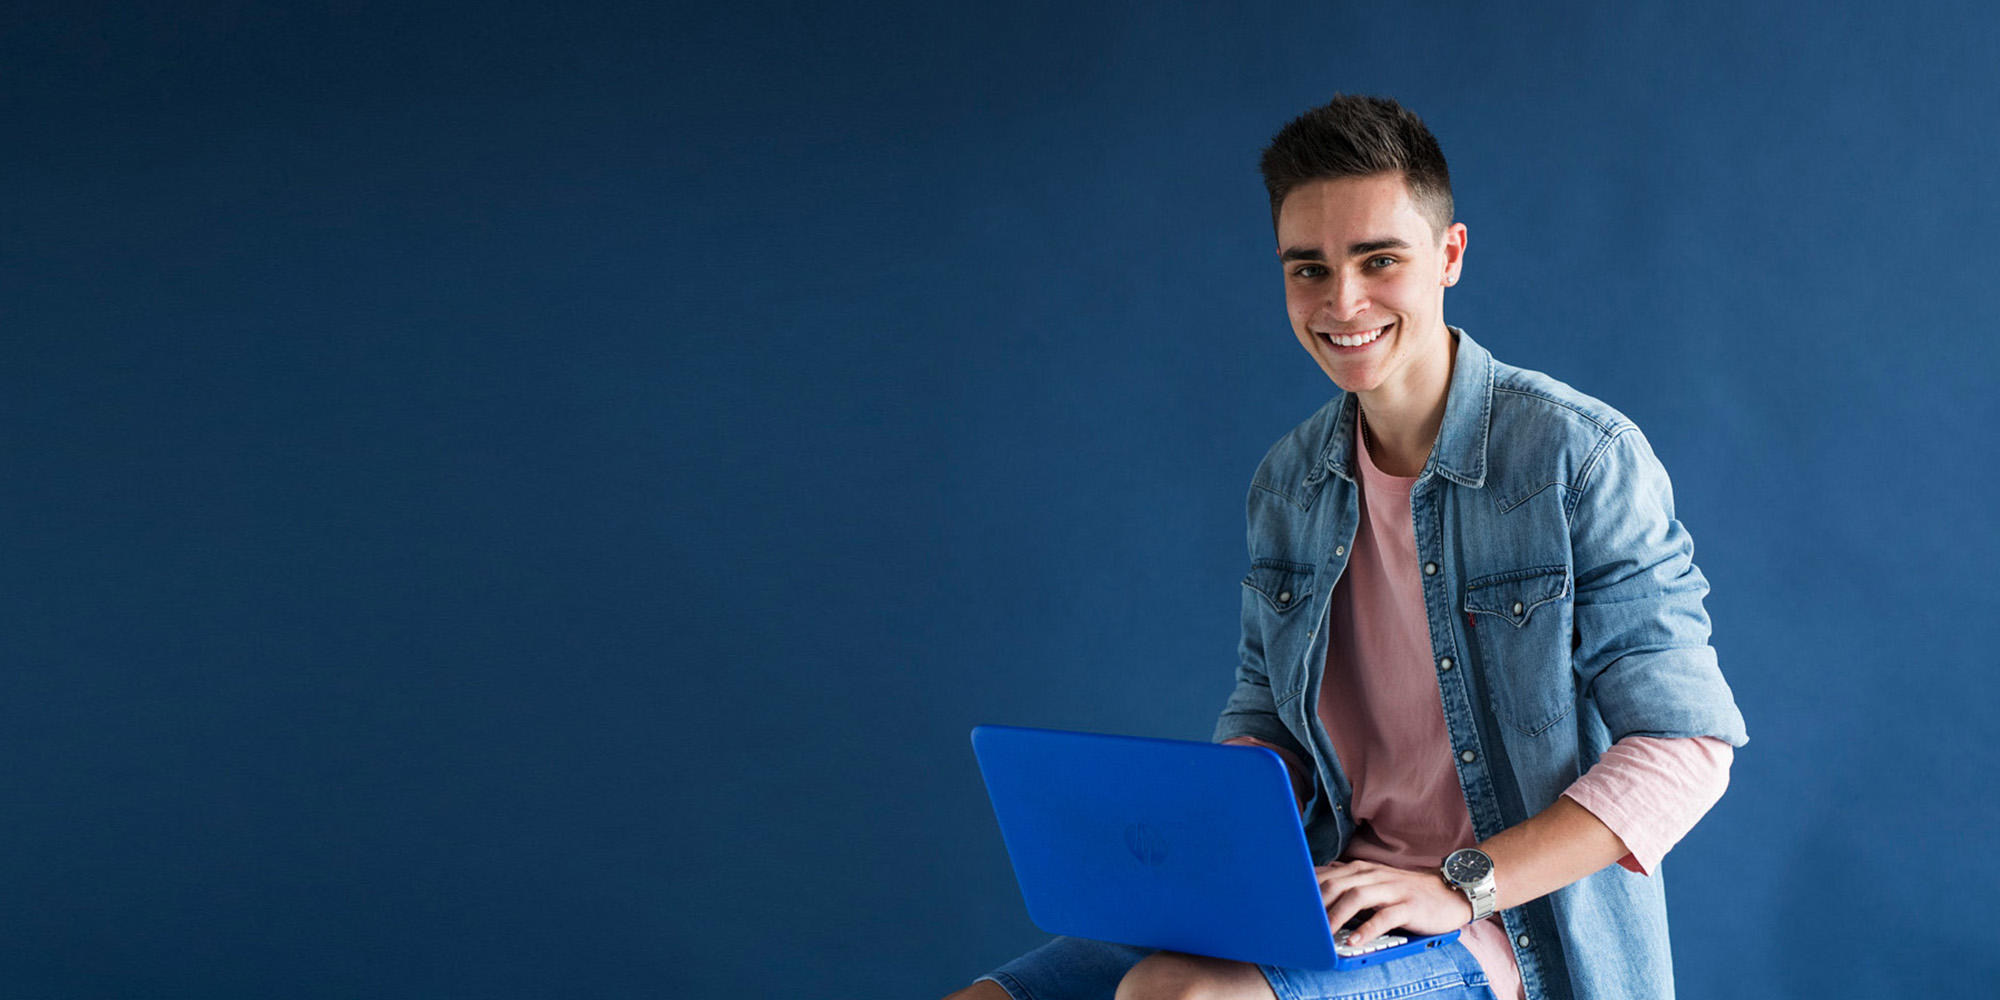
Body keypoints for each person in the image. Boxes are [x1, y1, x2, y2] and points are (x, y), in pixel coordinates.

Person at [943, 95, 1747, 1000]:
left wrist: (1459, 884)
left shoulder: (1579, 456)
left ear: (1449, 257)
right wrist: (1220, 810)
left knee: (1180, 997)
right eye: (1309, 270)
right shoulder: (1287, 483)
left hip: (1504, 926)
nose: (1342, 302)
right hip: (1322, 888)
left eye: (1379, 261)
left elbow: (1687, 746)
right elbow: (1270, 713)